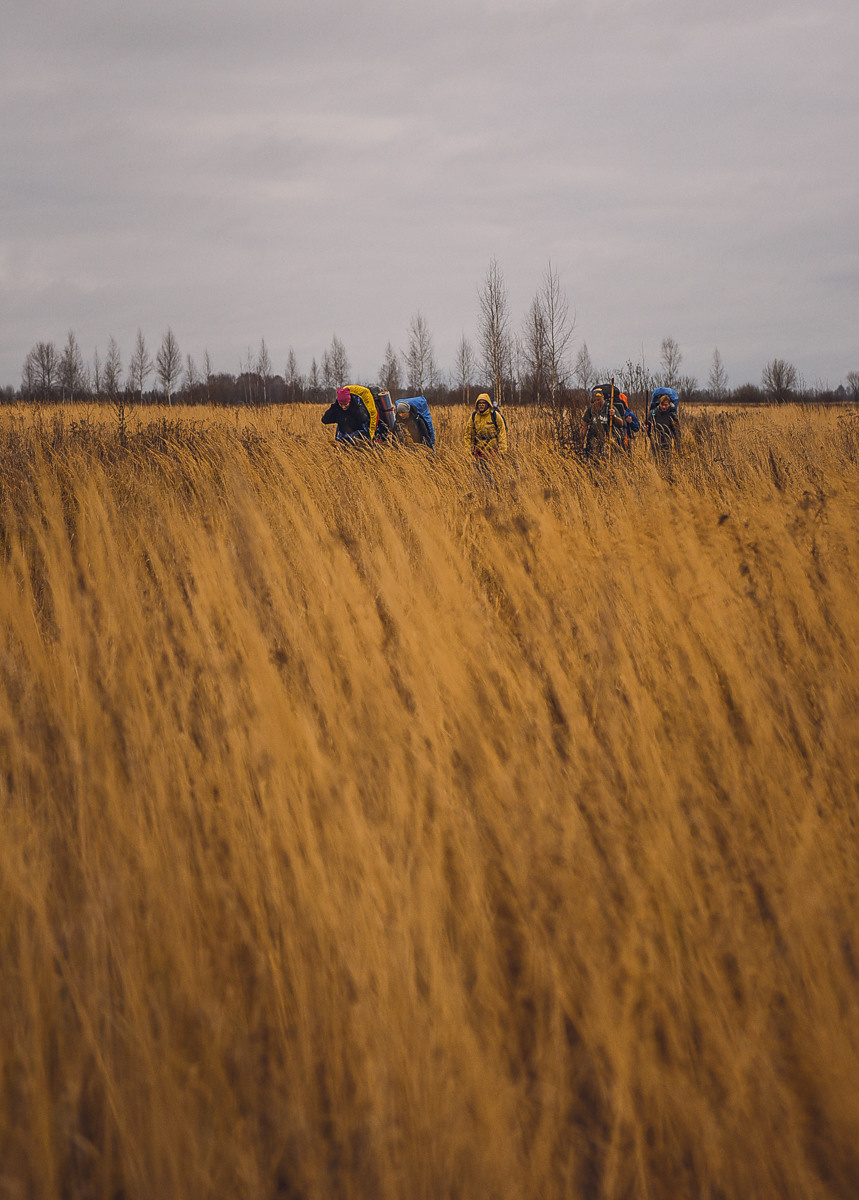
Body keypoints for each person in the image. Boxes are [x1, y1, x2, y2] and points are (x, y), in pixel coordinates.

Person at [580, 386, 626, 457]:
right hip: (593, 439)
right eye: (595, 400)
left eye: (599, 400)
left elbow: (621, 423)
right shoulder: (591, 409)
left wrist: (614, 416)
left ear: (603, 398)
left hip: (607, 440)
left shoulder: (610, 407)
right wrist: (581, 440)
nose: (597, 402)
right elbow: (584, 425)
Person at [464, 392, 507, 459]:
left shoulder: (495, 415)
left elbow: (502, 433)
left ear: (488, 404)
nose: (481, 405)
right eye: (479, 403)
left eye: (483, 403)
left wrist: (502, 451)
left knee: (492, 469)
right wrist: (468, 451)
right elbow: (468, 434)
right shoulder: (474, 416)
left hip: (493, 451)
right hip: (479, 451)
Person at [646, 389, 681, 457]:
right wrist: (646, 429)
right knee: (656, 460)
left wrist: (677, 445)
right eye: (662, 405)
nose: (664, 407)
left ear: (669, 404)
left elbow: (677, 431)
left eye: (666, 405)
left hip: (667, 443)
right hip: (655, 443)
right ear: (659, 403)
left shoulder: (672, 415)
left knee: (667, 461)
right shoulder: (653, 413)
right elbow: (645, 425)